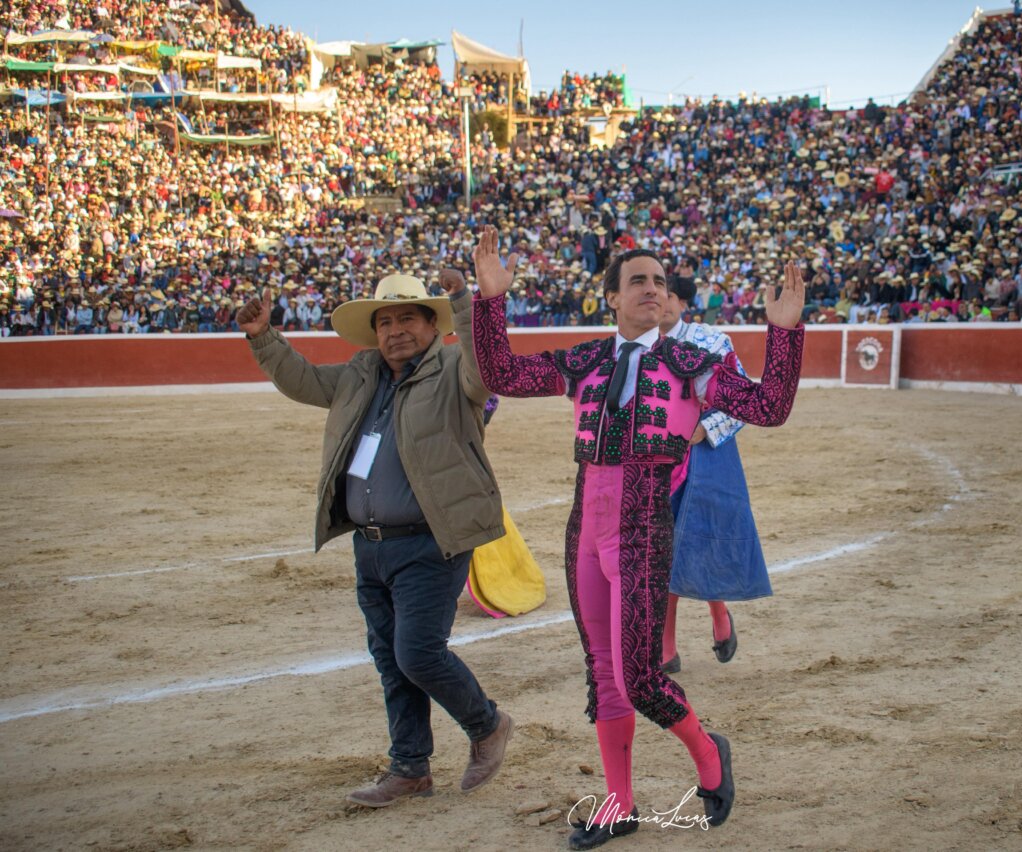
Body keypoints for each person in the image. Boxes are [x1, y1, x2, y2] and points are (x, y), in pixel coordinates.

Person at [465, 225, 807, 848]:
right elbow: (503, 374)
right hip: (585, 528)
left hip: (645, 527)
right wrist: (490, 301)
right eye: (638, 281)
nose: (653, 289)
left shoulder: (692, 365)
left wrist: (785, 333)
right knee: (602, 673)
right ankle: (618, 804)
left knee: (639, 678)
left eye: (660, 281)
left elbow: (770, 407)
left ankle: (708, 754)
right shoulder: (587, 360)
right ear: (613, 299)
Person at [235, 271, 514, 809]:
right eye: (385, 321)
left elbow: (487, 370)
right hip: (371, 542)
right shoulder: (363, 373)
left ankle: (487, 724)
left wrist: (463, 303)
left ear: (432, 325)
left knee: (417, 653)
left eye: (408, 317)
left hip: (433, 539)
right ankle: (410, 767)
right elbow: (304, 381)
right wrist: (263, 338)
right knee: (390, 658)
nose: (395, 330)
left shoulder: (456, 368)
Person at [656, 276, 771, 675]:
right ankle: (666, 646)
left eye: (670, 295)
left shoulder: (712, 341)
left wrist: (705, 429)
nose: (663, 302)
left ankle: (719, 617)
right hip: (658, 457)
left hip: (707, 454)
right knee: (662, 547)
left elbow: (743, 399)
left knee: (701, 540)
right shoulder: (635, 345)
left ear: (683, 302)